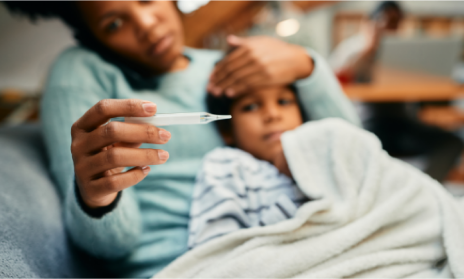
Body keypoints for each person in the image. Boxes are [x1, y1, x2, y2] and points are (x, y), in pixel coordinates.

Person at [2, 0, 359, 278]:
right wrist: (97, 197)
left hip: (283, 252)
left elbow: (354, 164)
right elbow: (113, 243)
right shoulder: (83, 73)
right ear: (92, 37)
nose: (146, 25)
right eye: (114, 23)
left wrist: (308, 67)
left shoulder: (230, 66)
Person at [329, 0, 463, 182]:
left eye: (397, 23)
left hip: (403, 121)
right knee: (362, 149)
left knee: (451, 142)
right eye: (386, 21)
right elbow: (336, 80)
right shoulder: (352, 49)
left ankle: (425, 187)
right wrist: (370, 47)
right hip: (368, 123)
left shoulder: (407, 50)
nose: (391, 28)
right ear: (368, 23)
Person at [188, 85, 308, 249]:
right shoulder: (227, 164)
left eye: (283, 101)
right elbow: (212, 252)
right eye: (251, 107)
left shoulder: (323, 153)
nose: (273, 115)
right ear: (226, 131)